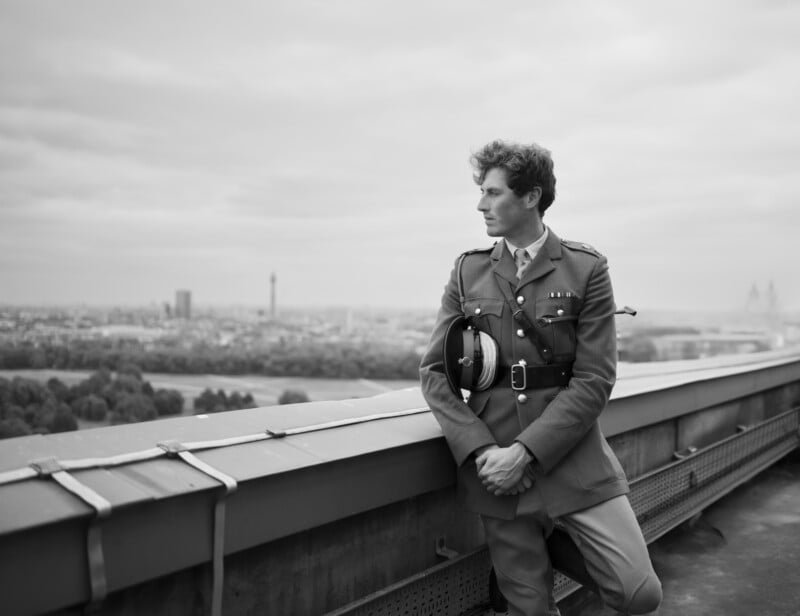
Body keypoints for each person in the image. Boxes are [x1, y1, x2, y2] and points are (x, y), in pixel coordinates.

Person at [419, 140, 662, 616]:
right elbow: (434, 373)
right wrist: (482, 451)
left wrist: (526, 454)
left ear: (530, 197)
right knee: (528, 610)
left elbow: (594, 378)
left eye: (493, 193)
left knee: (639, 594)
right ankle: (528, 556)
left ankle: (549, 540)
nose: (481, 204)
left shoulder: (585, 267)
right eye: (482, 193)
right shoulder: (469, 271)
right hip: (494, 470)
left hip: (571, 458)